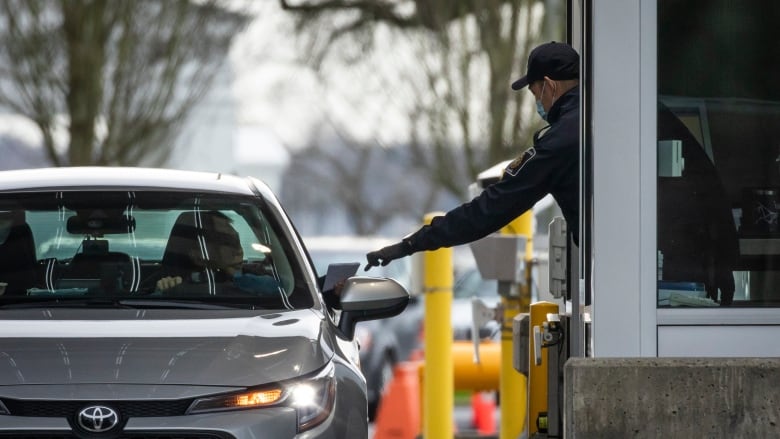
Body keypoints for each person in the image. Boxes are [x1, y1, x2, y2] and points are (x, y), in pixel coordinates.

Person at [365, 41, 580, 270]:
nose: (538, 102)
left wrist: (411, 244)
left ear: (550, 86)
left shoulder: (559, 142)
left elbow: (490, 209)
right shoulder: (597, 120)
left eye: (535, 93)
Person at [156, 211, 281, 296]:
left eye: (237, 241)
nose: (239, 250)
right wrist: (165, 291)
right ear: (197, 255)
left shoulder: (258, 277)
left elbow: (283, 288)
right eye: (227, 243)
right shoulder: (177, 286)